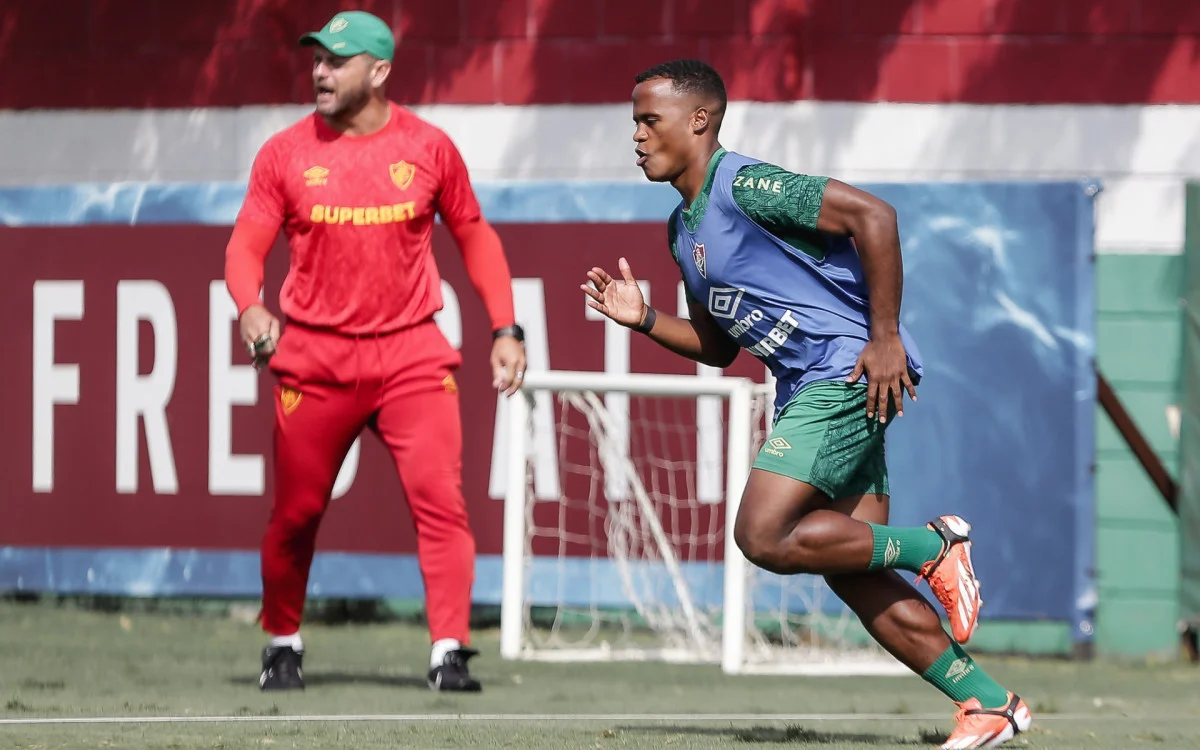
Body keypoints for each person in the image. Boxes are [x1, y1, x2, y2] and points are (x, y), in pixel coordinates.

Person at [581, 59, 1032, 749]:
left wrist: (884, 337)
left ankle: (934, 546)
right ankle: (988, 704)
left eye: (650, 120)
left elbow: (873, 216)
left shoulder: (747, 184)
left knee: (760, 534)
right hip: (811, 386)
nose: (637, 136)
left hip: (847, 371)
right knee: (854, 573)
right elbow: (716, 345)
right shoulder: (682, 232)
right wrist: (644, 319)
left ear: (699, 120)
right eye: (634, 122)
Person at [223, 10, 526, 693]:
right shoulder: (285, 153)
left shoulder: (429, 147)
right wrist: (250, 305)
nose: (321, 72)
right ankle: (282, 641)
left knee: (442, 504)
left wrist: (506, 328)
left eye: (338, 60)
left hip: (413, 359)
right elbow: (245, 247)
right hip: (314, 361)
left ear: (380, 71)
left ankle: (448, 649)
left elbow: (475, 236)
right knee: (296, 515)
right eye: (317, 60)